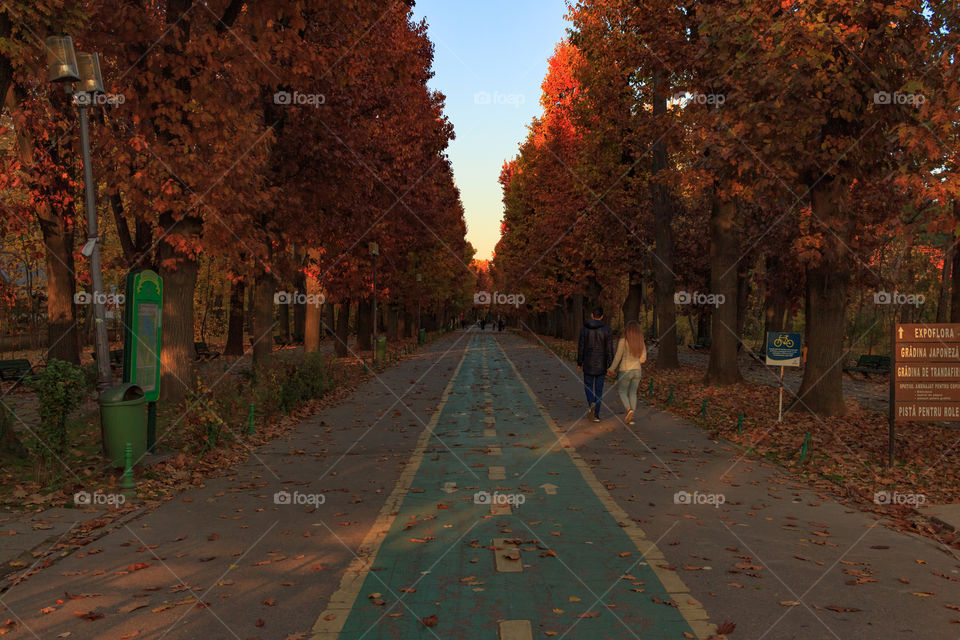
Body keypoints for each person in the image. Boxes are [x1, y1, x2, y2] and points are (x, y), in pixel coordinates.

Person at [577, 306, 615, 422]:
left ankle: (591, 403)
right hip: (601, 365)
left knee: (588, 386)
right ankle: (596, 415)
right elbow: (609, 350)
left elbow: (581, 347)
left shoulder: (584, 329)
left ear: (592, 315)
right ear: (602, 316)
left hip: (588, 363)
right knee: (599, 390)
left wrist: (579, 362)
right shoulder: (607, 330)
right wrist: (611, 366)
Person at [607, 321, 647, 425]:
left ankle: (629, 409)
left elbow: (618, 357)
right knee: (633, 392)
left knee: (622, 392)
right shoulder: (640, 340)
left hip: (625, 370)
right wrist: (637, 361)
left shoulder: (623, 341)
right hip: (637, 370)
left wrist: (611, 369)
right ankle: (632, 415)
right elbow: (643, 358)